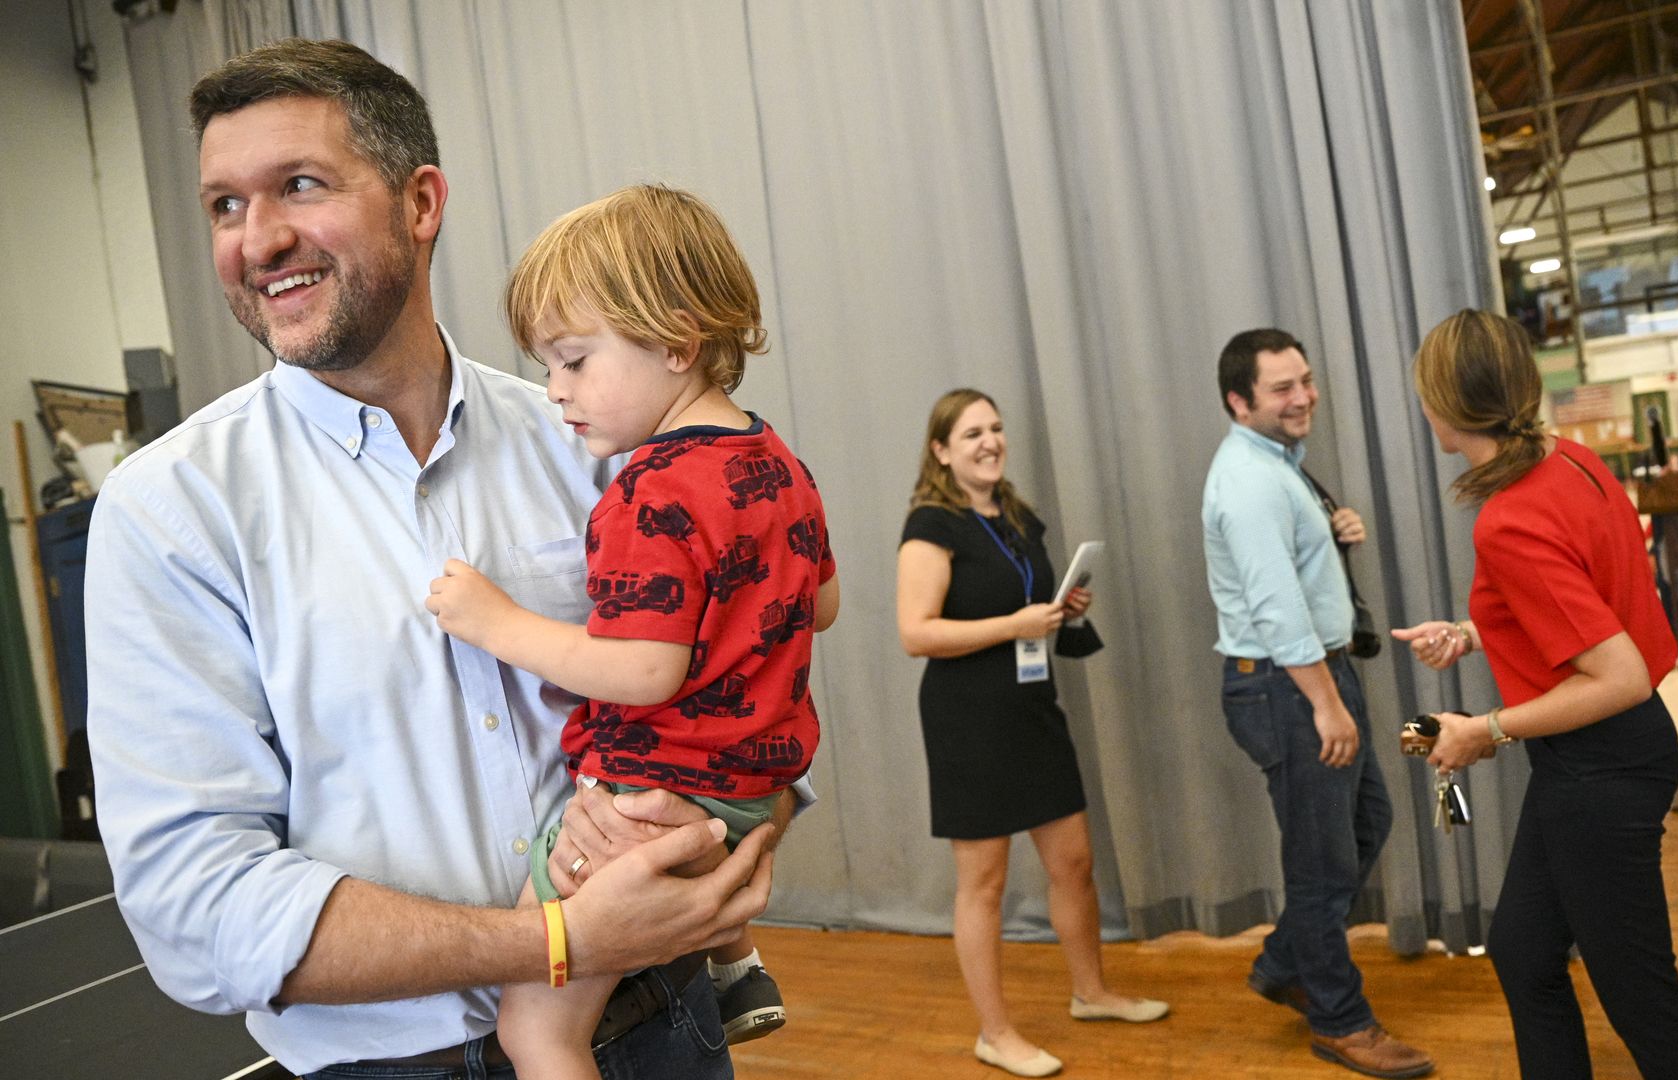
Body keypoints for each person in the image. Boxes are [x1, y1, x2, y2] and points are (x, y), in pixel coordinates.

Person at [85, 39, 777, 1079]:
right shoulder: (170, 511)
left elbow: (754, 660)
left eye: (299, 186)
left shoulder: (597, 442)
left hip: (665, 1026)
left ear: (420, 202)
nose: (258, 239)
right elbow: (199, 905)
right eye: (225, 206)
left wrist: (730, 843)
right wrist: (556, 943)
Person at [422, 184, 838, 1077]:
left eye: (574, 361)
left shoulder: (648, 491)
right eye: (547, 365)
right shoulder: (779, 463)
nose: (554, 390)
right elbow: (823, 602)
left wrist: (496, 621)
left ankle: (731, 966)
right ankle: (736, 968)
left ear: (677, 343)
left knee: (536, 1034)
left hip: (647, 799)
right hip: (749, 784)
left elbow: (643, 671)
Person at [1392, 309, 1678, 1079]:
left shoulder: (1507, 520)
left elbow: (1618, 676)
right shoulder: (1569, 460)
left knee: (1640, 997)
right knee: (1523, 950)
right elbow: (1581, 605)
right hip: (1601, 759)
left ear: (1446, 405)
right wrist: (1477, 632)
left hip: (1601, 768)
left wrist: (1484, 729)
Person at [895, 389, 1168, 1078]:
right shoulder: (931, 524)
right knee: (983, 884)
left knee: (1073, 863)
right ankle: (995, 1033)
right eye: (971, 433)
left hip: (1030, 707)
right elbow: (916, 633)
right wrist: (1015, 626)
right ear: (941, 451)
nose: (990, 441)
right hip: (967, 719)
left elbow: (1023, 601)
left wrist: (1059, 609)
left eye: (995, 428)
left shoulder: (1016, 516)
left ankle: (1092, 993)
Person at [1201, 329, 1432, 1079]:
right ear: (1239, 402)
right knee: (1321, 863)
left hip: (1310, 677)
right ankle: (1340, 1020)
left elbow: (1289, 572)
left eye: (1305, 380)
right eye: (1282, 388)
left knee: (1365, 825)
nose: (1303, 397)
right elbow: (1275, 609)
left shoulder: (1279, 465)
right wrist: (1327, 705)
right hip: (1288, 686)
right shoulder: (1250, 480)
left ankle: (1284, 963)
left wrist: (1332, 538)